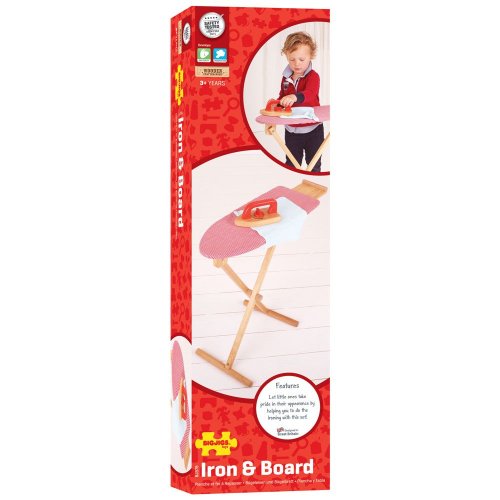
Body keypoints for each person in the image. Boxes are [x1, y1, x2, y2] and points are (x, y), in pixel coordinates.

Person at [271, 31, 324, 172]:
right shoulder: (286, 78)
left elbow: (310, 94)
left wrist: (294, 97)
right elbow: (283, 96)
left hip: (313, 129)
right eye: (292, 59)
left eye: (301, 59)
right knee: (291, 164)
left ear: (311, 56)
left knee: (314, 165)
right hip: (292, 131)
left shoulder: (313, 76)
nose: (296, 64)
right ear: (286, 57)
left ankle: (313, 183)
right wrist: (276, 102)